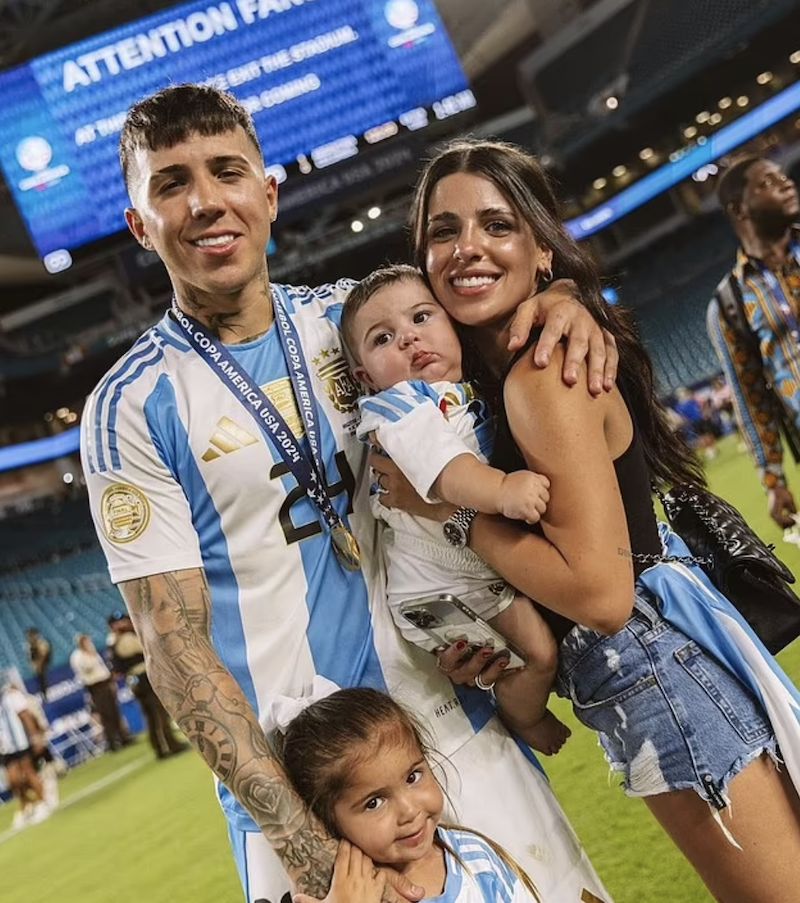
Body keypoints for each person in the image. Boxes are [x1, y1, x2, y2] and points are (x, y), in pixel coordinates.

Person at [80, 84, 616, 903]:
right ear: (138, 224)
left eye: (227, 171)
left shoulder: (352, 320)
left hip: (447, 730)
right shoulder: (132, 405)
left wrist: (564, 297)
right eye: (170, 183)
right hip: (302, 792)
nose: (204, 201)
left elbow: (496, 310)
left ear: (268, 192)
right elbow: (174, 648)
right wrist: (312, 853)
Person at [370, 136, 800, 902]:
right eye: (444, 230)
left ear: (542, 251)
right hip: (663, 668)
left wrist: (453, 516)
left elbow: (600, 597)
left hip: (656, 672)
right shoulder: (509, 365)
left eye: (497, 225)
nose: (467, 247)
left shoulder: (541, 374)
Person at [342, 264, 568, 754]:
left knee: (539, 651)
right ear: (365, 377)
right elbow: (445, 470)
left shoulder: (468, 392)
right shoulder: (396, 408)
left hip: (469, 570)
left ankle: (520, 709)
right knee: (540, 656)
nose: (408, 339)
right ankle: (527, 719)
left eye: (422, 317)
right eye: (383, 339)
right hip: (435, 585)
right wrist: (503, 489)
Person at [276, 684, 541, 903]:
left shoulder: (476, 858)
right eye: (374, 803)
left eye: (413, 777)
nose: (410, 810)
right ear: (325, 819)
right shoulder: (340, 896)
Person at [706, 155, 800, 527]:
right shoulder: (728, 304)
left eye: (782, 177)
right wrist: (773, 480)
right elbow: (750, 395)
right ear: (739, 210)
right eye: (767, 183)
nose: (786, 184)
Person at [106, 612, 186, 760]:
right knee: (157, 712)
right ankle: (169, 744)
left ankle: (161, 747)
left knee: (152, 714)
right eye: (120, 622)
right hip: (142, 677)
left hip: (137, 678)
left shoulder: (119, 639)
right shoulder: (120, 640)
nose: (124, 623)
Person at [0, 680, 50, 827]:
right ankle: (27, 805)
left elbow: (26, 716)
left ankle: (42, 803)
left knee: (29, 772)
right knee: (13, 780)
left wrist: (35, 736)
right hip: (6, 747)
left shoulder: (12, 696)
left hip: (21, 741)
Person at [70, 634, 132, 752]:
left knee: (114, 711)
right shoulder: (78, 656)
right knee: (106, 714)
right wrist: (88, 653)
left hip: (105, 683)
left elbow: (101, 668)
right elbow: (87, 668)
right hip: (96, 687)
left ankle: (124, 737)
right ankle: (112, 742)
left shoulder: (91, 651)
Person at [26, 628, 51, 699]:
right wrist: (35, 666)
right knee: (40, 682)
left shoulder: (41, 643)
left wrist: (41, 663)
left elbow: (45, 653)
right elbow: (30, 658)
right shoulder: (29, 645)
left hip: (42, 665)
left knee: (43, 681)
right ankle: (43, 695)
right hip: (37, 667)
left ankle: (45, 694)